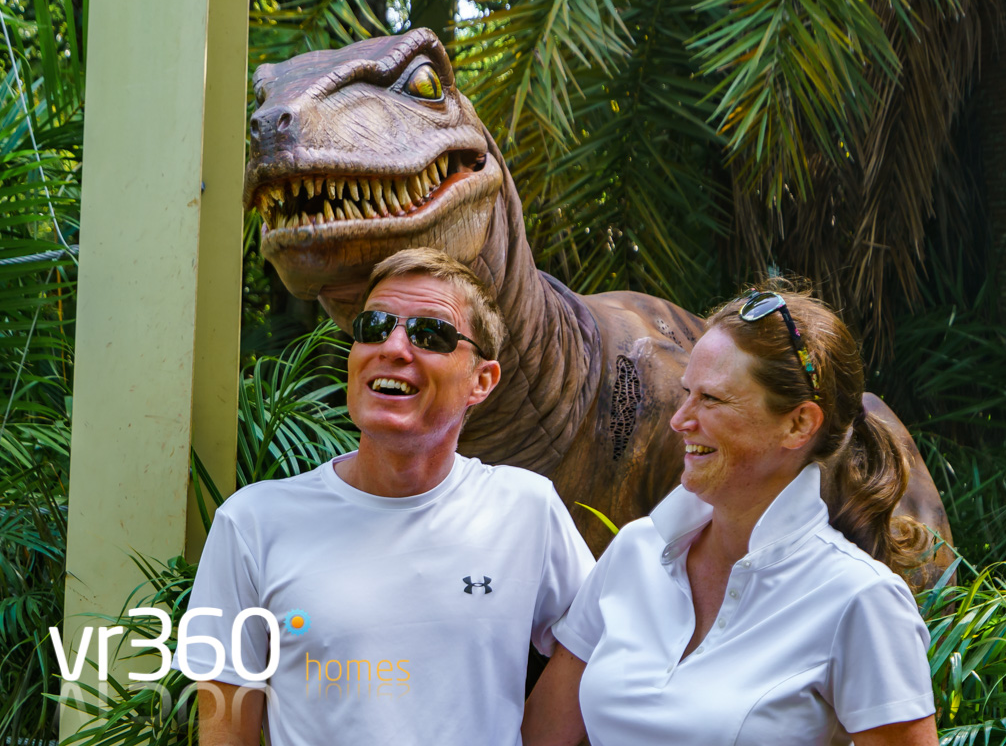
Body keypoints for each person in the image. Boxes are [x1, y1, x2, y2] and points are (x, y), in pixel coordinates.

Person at [178, 247, 595, 745]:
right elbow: (225, 729)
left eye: (430, 334)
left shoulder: (526, 508)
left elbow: (596, 636)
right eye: (374, 326)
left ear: (481, 381)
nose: (394, 347)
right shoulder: (252, 523)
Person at [522, 282, 939, 746]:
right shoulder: (635, 551)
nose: (680, 420)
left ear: (799, 424)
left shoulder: (861, 599)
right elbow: (541, 736)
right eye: (686, 393)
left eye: (712, 400)